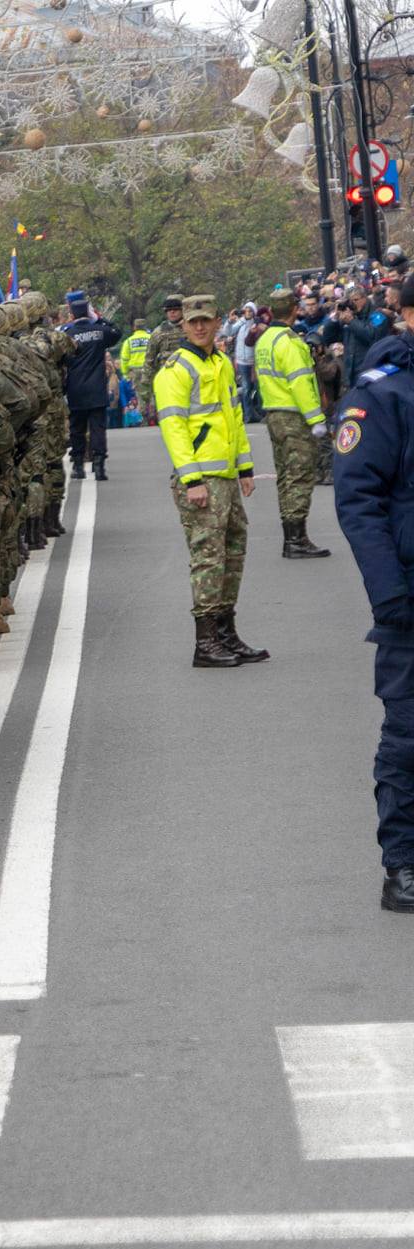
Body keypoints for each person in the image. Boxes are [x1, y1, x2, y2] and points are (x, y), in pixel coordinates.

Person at [331, 285, 414, 912]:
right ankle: (404, 865)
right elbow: (359, 503)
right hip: (410, 595)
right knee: (409, 735)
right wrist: (389, 595)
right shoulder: (382, 394)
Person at [153, 294, 265, 668]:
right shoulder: (175, 369)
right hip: (201, 478)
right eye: (192, 322)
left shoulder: (220, 363)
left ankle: (226, 633)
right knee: (208, 558)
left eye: (206, 320)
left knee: (232, 554)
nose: (199, 327)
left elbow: (234, 418)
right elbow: (174, 428)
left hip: (226, 477)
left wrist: (245, 467)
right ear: (182, 325)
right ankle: (205, 643)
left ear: (218, 322)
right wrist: (191, 479)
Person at [254, 288, 334, 559]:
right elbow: (300, 382)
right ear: (294, 309)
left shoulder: (265, 340)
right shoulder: (290, 343)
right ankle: (297, 538)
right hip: (293, 415)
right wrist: (316, 419)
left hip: (274, 413)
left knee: (286, 477)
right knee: (300, 476)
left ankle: (292, 536)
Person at [58, 289, 122, 480]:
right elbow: (116, 332)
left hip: (75, 389)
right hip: (96, 388)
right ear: (89, 313)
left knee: (77, 429)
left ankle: (78, 466)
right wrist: (100, 320)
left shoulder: (67, 335)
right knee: (98, 429)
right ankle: (99, 465)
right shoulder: (100, 332)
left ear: (71, 315)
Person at [138, 295, 186, 416]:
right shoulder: (159, 332)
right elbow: (149, 359)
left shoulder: (191, 328)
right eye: (169, 310)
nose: (172, 312)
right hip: (167, 378)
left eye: (176, 309)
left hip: (189, 377)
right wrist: (145, 384)